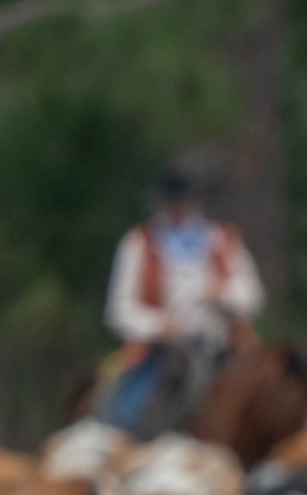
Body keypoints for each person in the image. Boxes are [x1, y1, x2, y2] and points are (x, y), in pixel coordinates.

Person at [99, 164, 266, 435]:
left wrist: (221, 293)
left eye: (182, 204)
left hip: (223, 350)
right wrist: (158, 325)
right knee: (127, 415)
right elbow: (120, 309)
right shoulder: (139, 243)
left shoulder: (222, 240)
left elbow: (252, 298)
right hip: (163, 355)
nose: (177, 211)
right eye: (172, 204)